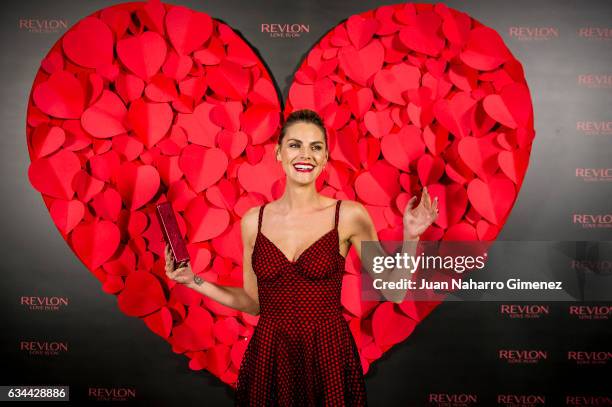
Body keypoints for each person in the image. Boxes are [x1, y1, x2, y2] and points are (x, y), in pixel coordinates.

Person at [165, 109, 438, 406]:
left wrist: (411, 236)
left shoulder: (348, 215)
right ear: (278, 153)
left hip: (328, 356)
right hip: (270, 356)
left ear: (324, 159)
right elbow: (253, 303)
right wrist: (193, 281)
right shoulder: (252, 221)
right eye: (295, 145)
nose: (305, 155)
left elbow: (393, 291)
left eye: (315, 147)